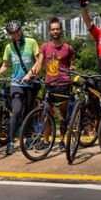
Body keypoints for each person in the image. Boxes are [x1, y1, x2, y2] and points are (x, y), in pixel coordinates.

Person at [0, 20, 42, 156]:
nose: (15, 34)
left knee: (29, 111)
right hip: (16, 83)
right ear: (10, 34)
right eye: (12, 33)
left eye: (17, 31)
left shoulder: (31, 42)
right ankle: (10, 142)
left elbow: (39, 60)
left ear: (21, 30)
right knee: (16, 111)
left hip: (31, 83)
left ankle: (28, 138)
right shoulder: (9, 47)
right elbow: (5, 65)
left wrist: (30, 74)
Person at [39, 17, 75, 149]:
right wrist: (32, 74)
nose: (55, 31)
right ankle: (46, 141)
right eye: (53, 29)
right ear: (49, 31)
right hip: (49, 84)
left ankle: (62, 140)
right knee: (46, 112)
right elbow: (39, 64)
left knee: (63, 114)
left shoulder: (68, 48)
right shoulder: (44, 47)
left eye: (57, 29)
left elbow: (71, 63)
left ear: (61, 30)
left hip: (64, 84)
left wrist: (72, 68)